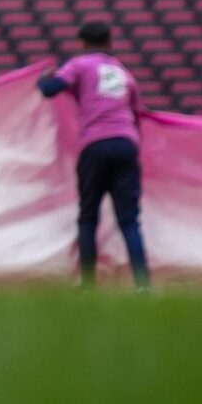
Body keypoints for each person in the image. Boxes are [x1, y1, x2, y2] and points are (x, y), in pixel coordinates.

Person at [40, 22, 150, 290]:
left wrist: (43, 78)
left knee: (89, 216)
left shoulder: (80, 65)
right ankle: (143, 285)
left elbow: (50, 89)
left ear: (83, 44)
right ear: (110, 43)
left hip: (95, 145)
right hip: (126, 145)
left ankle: (88, 284)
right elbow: (137, 115)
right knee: (129, 220)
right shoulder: (124, 74)